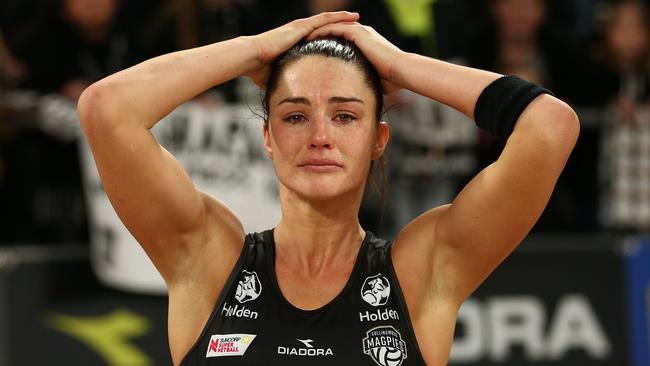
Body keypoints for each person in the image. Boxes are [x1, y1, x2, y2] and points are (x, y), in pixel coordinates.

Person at [77, 11, 579, 366]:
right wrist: (254, 49)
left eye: (345, 115)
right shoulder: (209, 259)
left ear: (379, 138)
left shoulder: (422, 272)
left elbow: (549, 127)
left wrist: (400, 65)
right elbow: (106, 109)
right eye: (296, 115)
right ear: (268, 136)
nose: (320, 136)